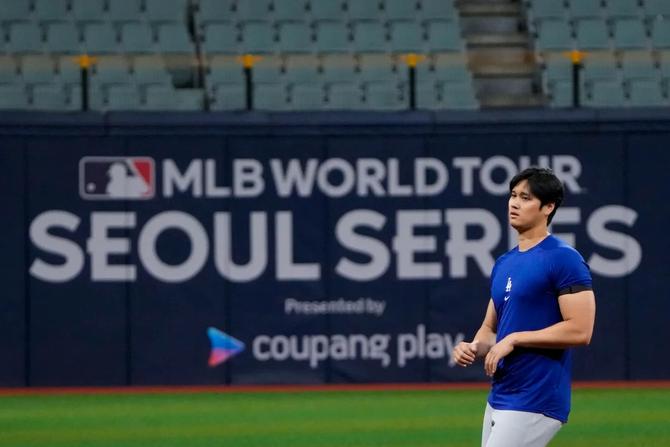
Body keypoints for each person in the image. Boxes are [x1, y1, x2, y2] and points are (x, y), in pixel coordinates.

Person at [452, 167, 596, 447]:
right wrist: (473, 347)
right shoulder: (505, 262)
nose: (514, 203)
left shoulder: (564, 259)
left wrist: (515, 339)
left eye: (526, 197)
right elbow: (490, 329)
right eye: (513, 195)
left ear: (548, 207)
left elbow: (580, 330)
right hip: (501, 395)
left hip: (537, 396)